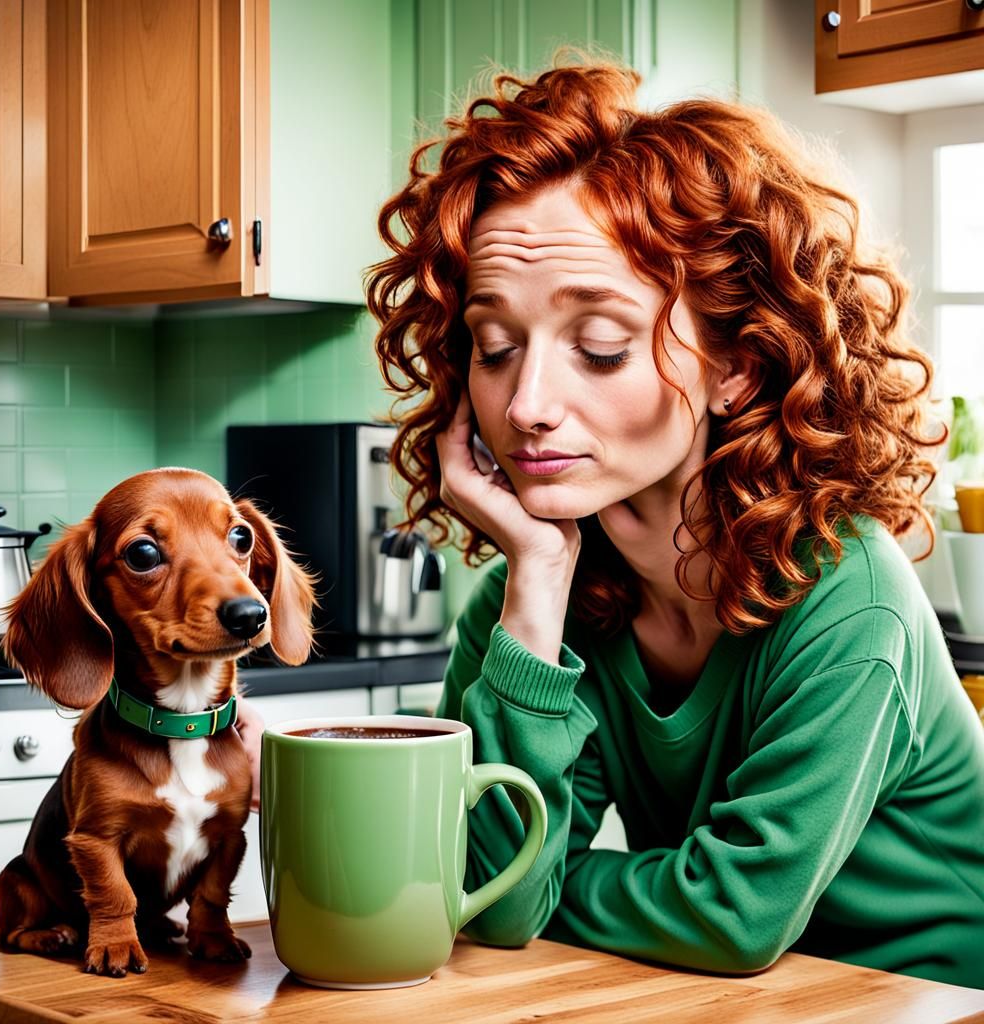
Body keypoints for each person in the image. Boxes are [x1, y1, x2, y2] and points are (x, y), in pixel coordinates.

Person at [364, 59, 984, 988]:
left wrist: (560, 883)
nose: (527, 404)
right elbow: (490, 904)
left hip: (926, 998)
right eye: (494, 347)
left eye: (600, 349)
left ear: (735, 367)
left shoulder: (848, 593)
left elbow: (734, 919)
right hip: (729, 1000)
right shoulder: (532, 600)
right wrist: (535, 581)